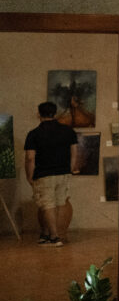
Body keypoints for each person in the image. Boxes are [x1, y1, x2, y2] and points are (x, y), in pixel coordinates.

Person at [24, 101, 78, 247]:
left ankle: (54, 237)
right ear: (54, 113)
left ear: (38, 114)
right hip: (64, 172)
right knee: (59, 202)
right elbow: (74, 153)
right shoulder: (68, 131)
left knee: (47, 204)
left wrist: (29, 176)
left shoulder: (34, 134)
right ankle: (48, 234)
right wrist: (70, 169)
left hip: (44, 174)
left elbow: (30, 158)